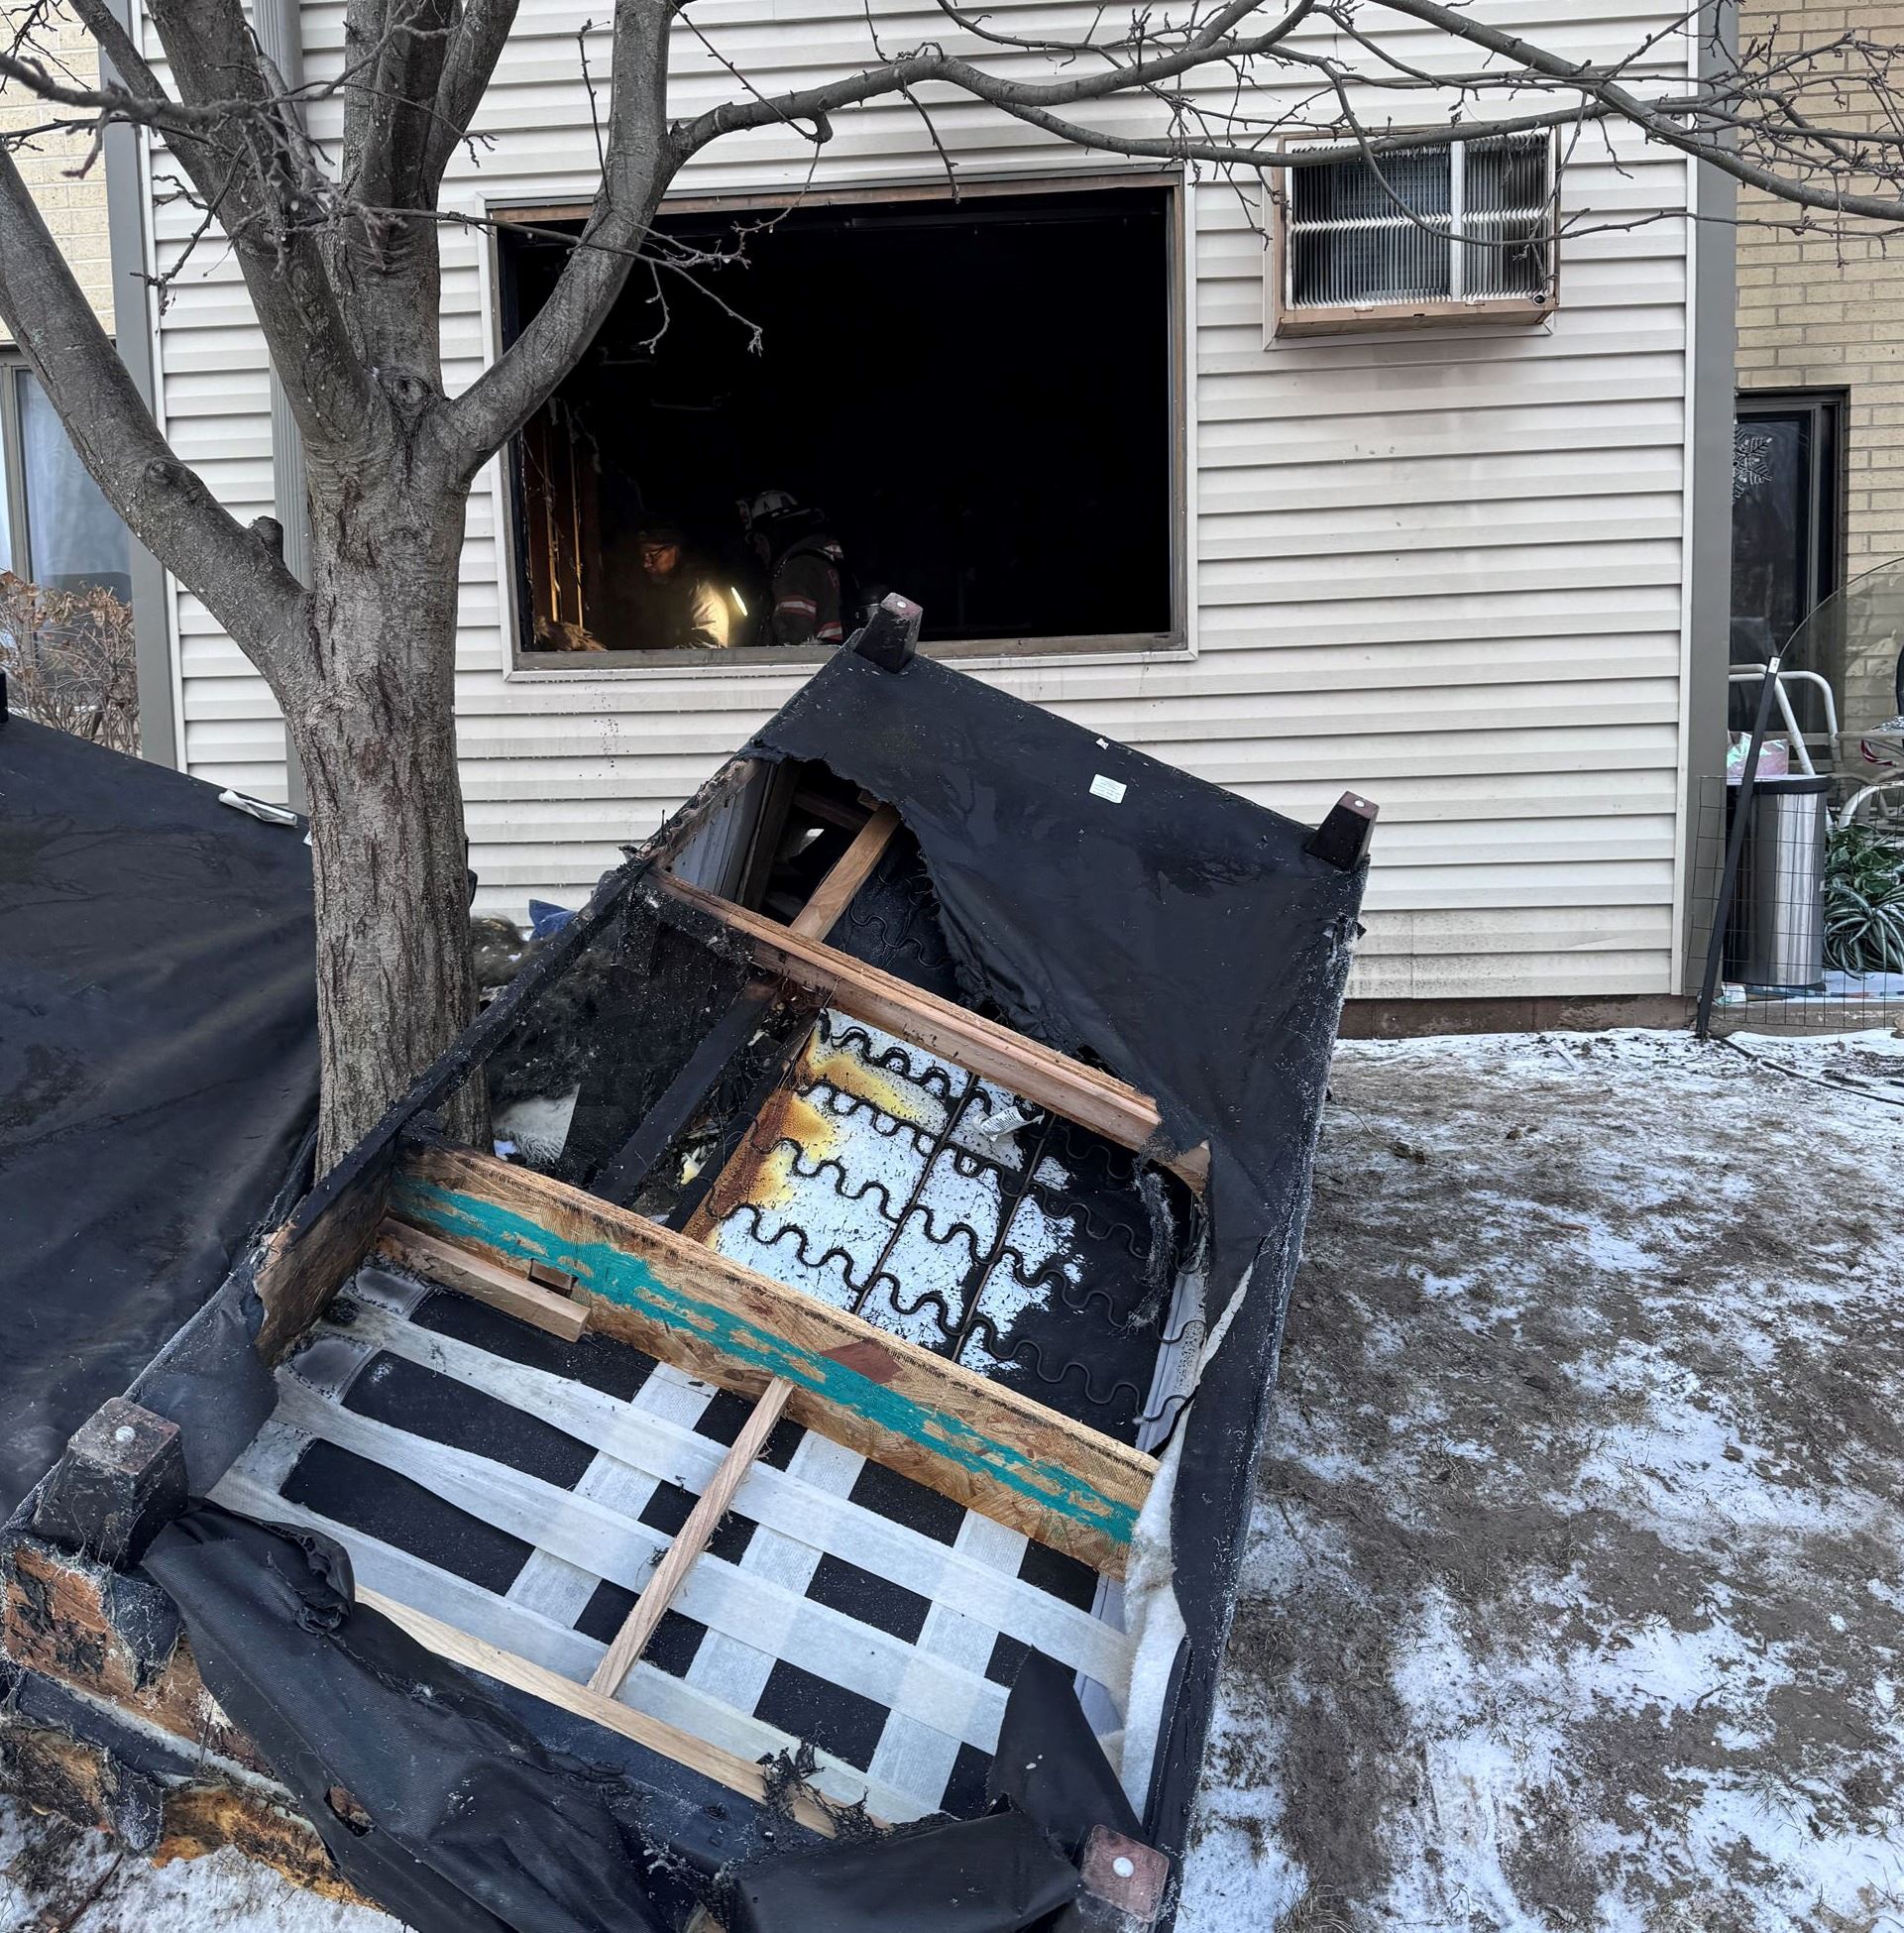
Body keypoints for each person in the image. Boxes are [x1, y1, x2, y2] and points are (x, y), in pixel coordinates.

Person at [740, 490, 850, 647]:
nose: (758, 550)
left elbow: (791, 641)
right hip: (844, 658)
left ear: (776, 533)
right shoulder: (827, 561)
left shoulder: (796, 570)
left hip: (821, 662)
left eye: (760, 540)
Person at [628, 519, 730, 650]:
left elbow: (709, 647)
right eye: (643, 556)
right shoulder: (669, 590)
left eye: (653, 555)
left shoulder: (702, 590)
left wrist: (659, 659)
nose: (646, 564)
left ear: (674, 550)